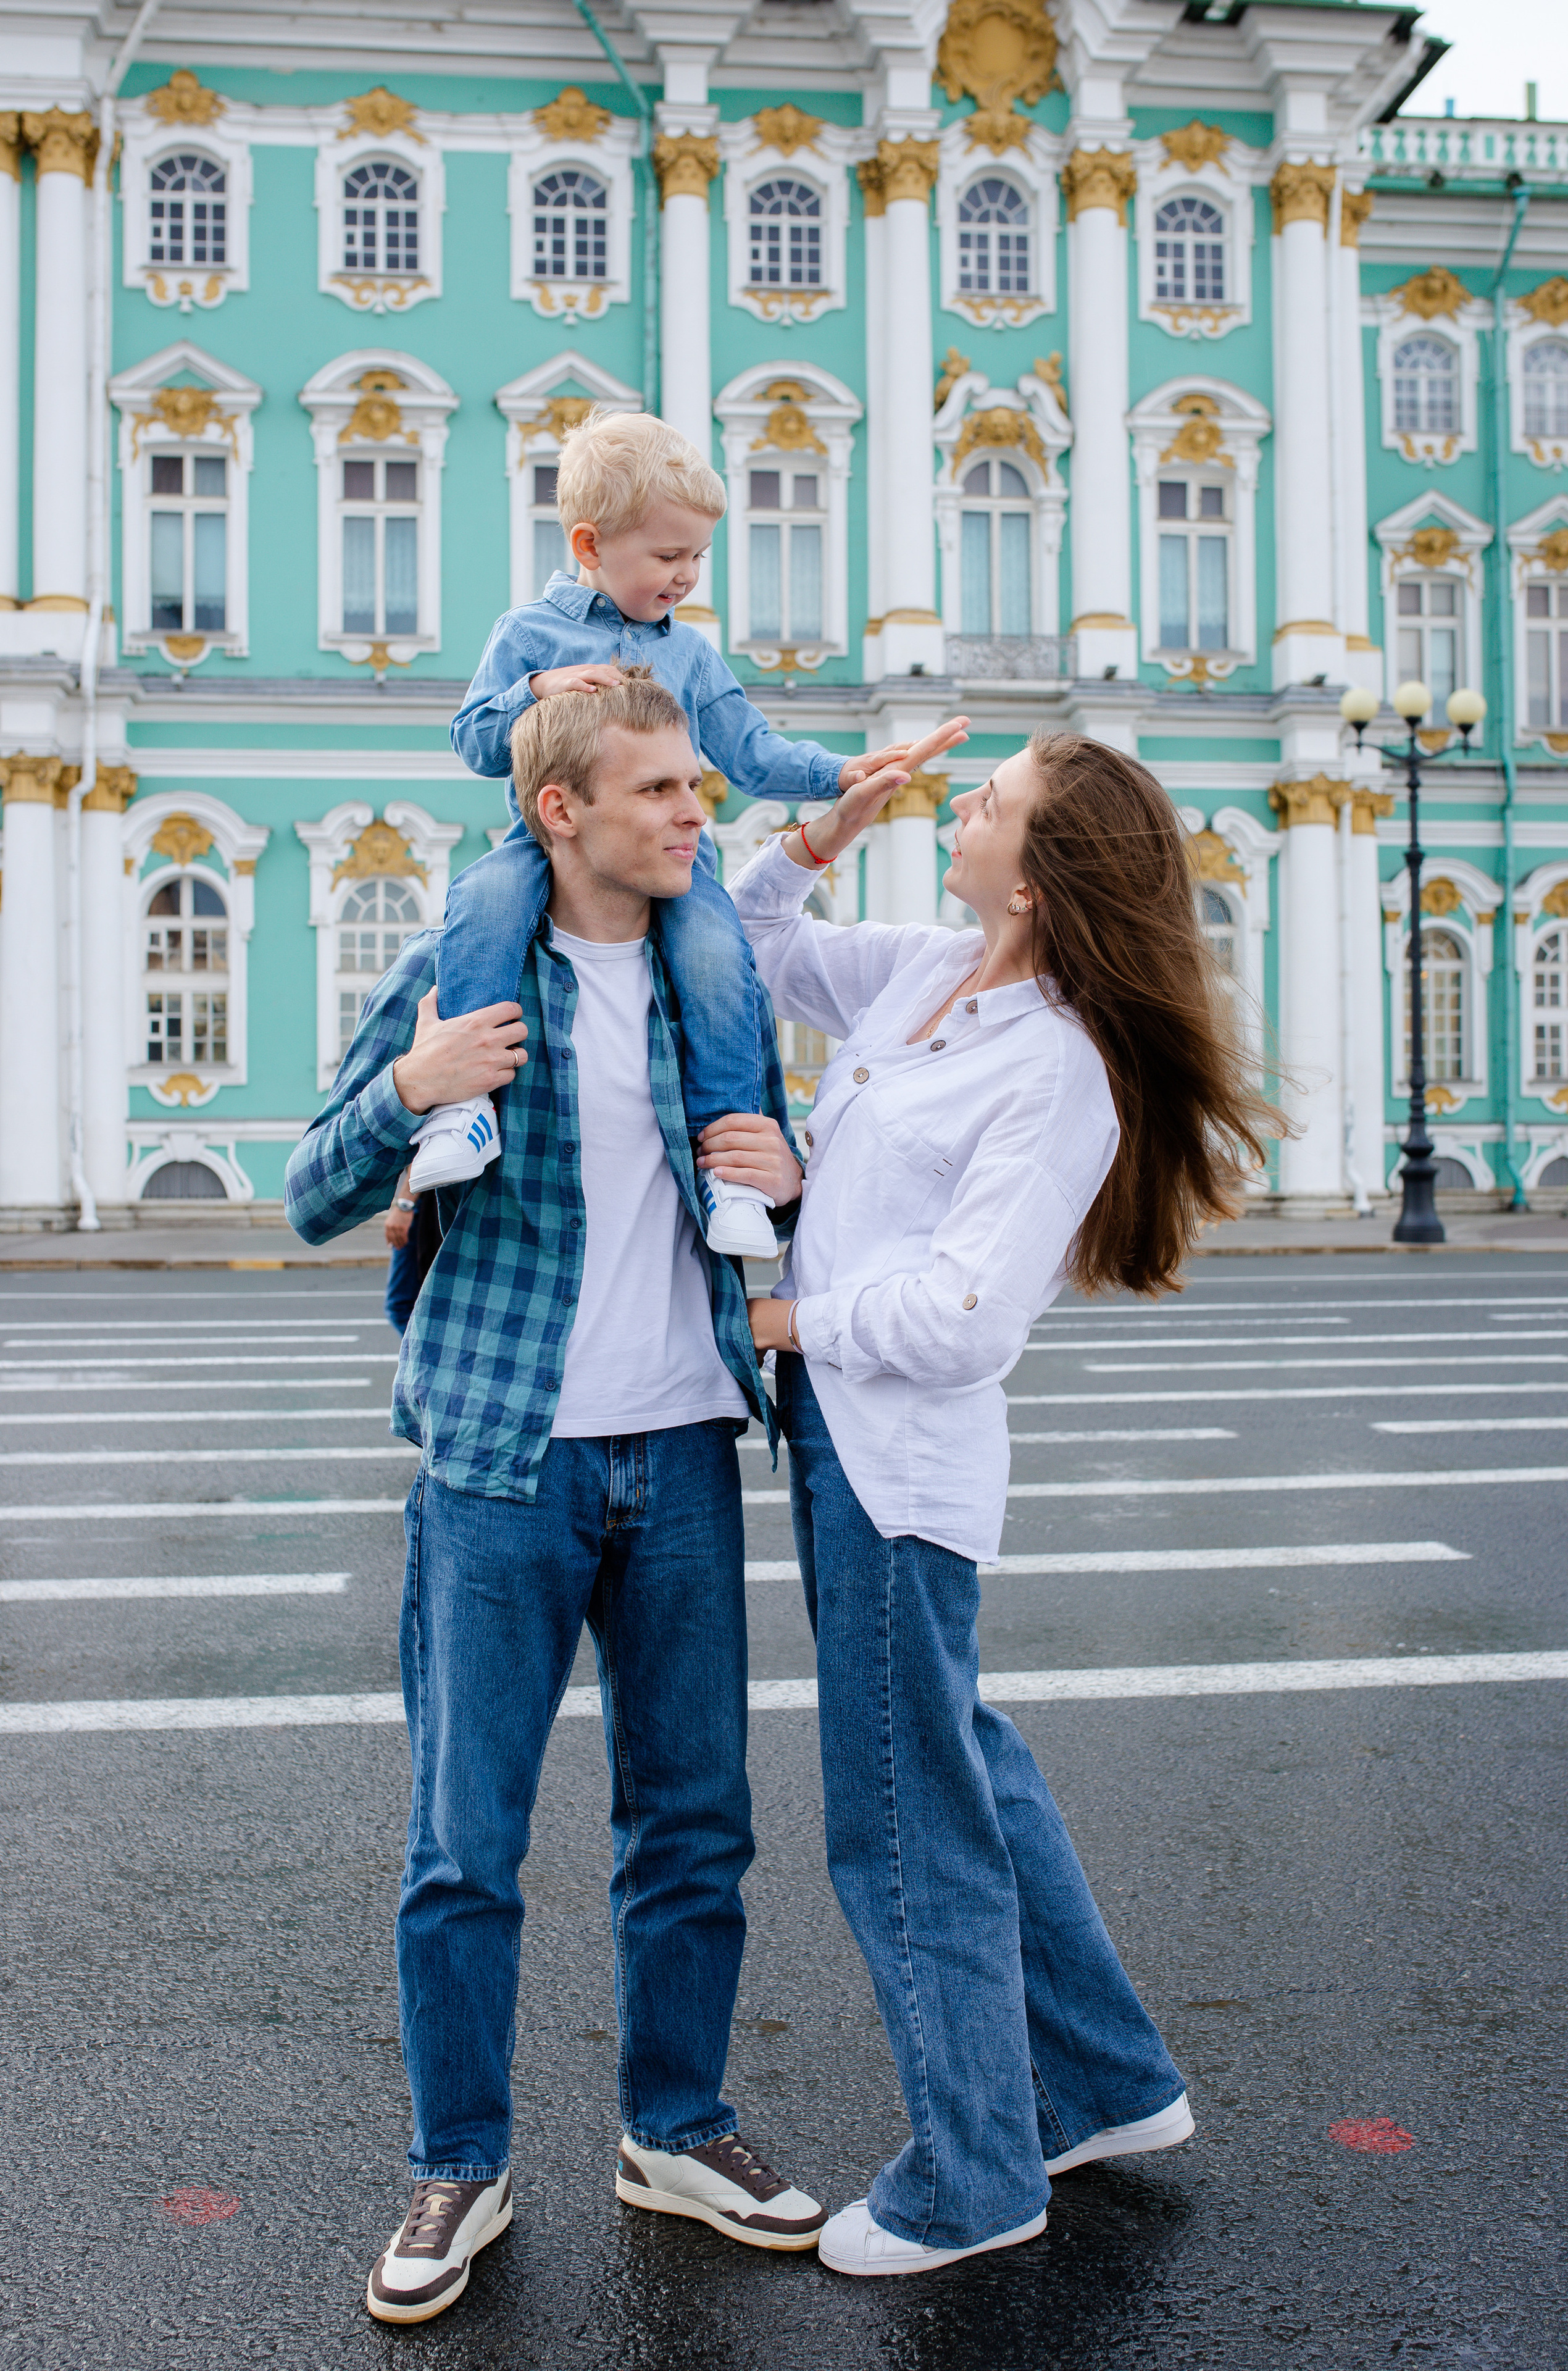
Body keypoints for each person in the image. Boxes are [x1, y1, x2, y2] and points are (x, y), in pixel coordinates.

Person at [284, 671, 843, 2328]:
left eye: (697, 785)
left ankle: (674, 2127)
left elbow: (769, 1179)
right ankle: (458, 2162)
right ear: (563, 814)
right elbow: (313, 1190)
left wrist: (796, 1182)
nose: (696, 812)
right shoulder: (466, 977)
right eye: (663, 791)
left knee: (695, 1828)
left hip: (678, 1451)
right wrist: (410, 1090)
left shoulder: (703, 985)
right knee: (465, 1843)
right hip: (499, 1459)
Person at [732, 731, 1283, 2278]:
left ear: (1034, 882)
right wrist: (820, 832)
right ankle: (1105, 2084)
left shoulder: (1053, 1069)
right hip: (841, 1438)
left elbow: (967, 1311)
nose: (959, 807)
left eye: (989, 801)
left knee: (905, 1821)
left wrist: (787, 1317)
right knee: (960, 1759)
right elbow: (753, 937)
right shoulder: (924, 973)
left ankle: (973, 2174)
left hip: (896, 1465)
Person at [427, 405, 965, 1256]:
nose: (686, 577)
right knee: (480, 908)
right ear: (590, 544)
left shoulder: (692, 654)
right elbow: (475, 743)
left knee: (721, 963)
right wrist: (537, 688)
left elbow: (750, 753)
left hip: (681, 862)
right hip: (547, 844)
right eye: (669, 556)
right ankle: (462, 1110)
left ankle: (731, 1170)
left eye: (697, 558)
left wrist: (840, 773)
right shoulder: (527, 635)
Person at [382, 1169, 441, 1334]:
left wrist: (404, 1205)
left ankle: (430, 1359)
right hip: (434, 1193)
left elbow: (426, 1146)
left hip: (428, 1194)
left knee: (402, 1306)